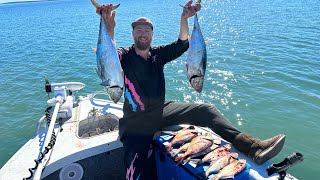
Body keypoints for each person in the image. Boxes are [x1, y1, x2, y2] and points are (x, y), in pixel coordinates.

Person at [96, 1, 285, 179]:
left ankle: (253, 147)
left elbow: (182, 44)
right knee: (135, 171)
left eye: (147, 30)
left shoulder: (158, 55)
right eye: (138, 30)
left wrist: (184, 18)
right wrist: (108, 26)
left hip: (161, 110)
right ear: (133, 34)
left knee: (206, 110)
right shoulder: (124, 56)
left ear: (152, 35)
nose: (143, 33)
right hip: (136, 121)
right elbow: (108, 55)